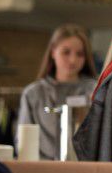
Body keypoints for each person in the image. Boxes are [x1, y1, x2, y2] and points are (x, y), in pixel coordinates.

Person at [18, 24, 97, 160]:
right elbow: (23, 140)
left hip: (84, 169)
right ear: (53, 52)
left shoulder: (95, 91)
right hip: (42, 170)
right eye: (66, 52)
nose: (73, 60)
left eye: (80, 54)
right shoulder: (33, 93)